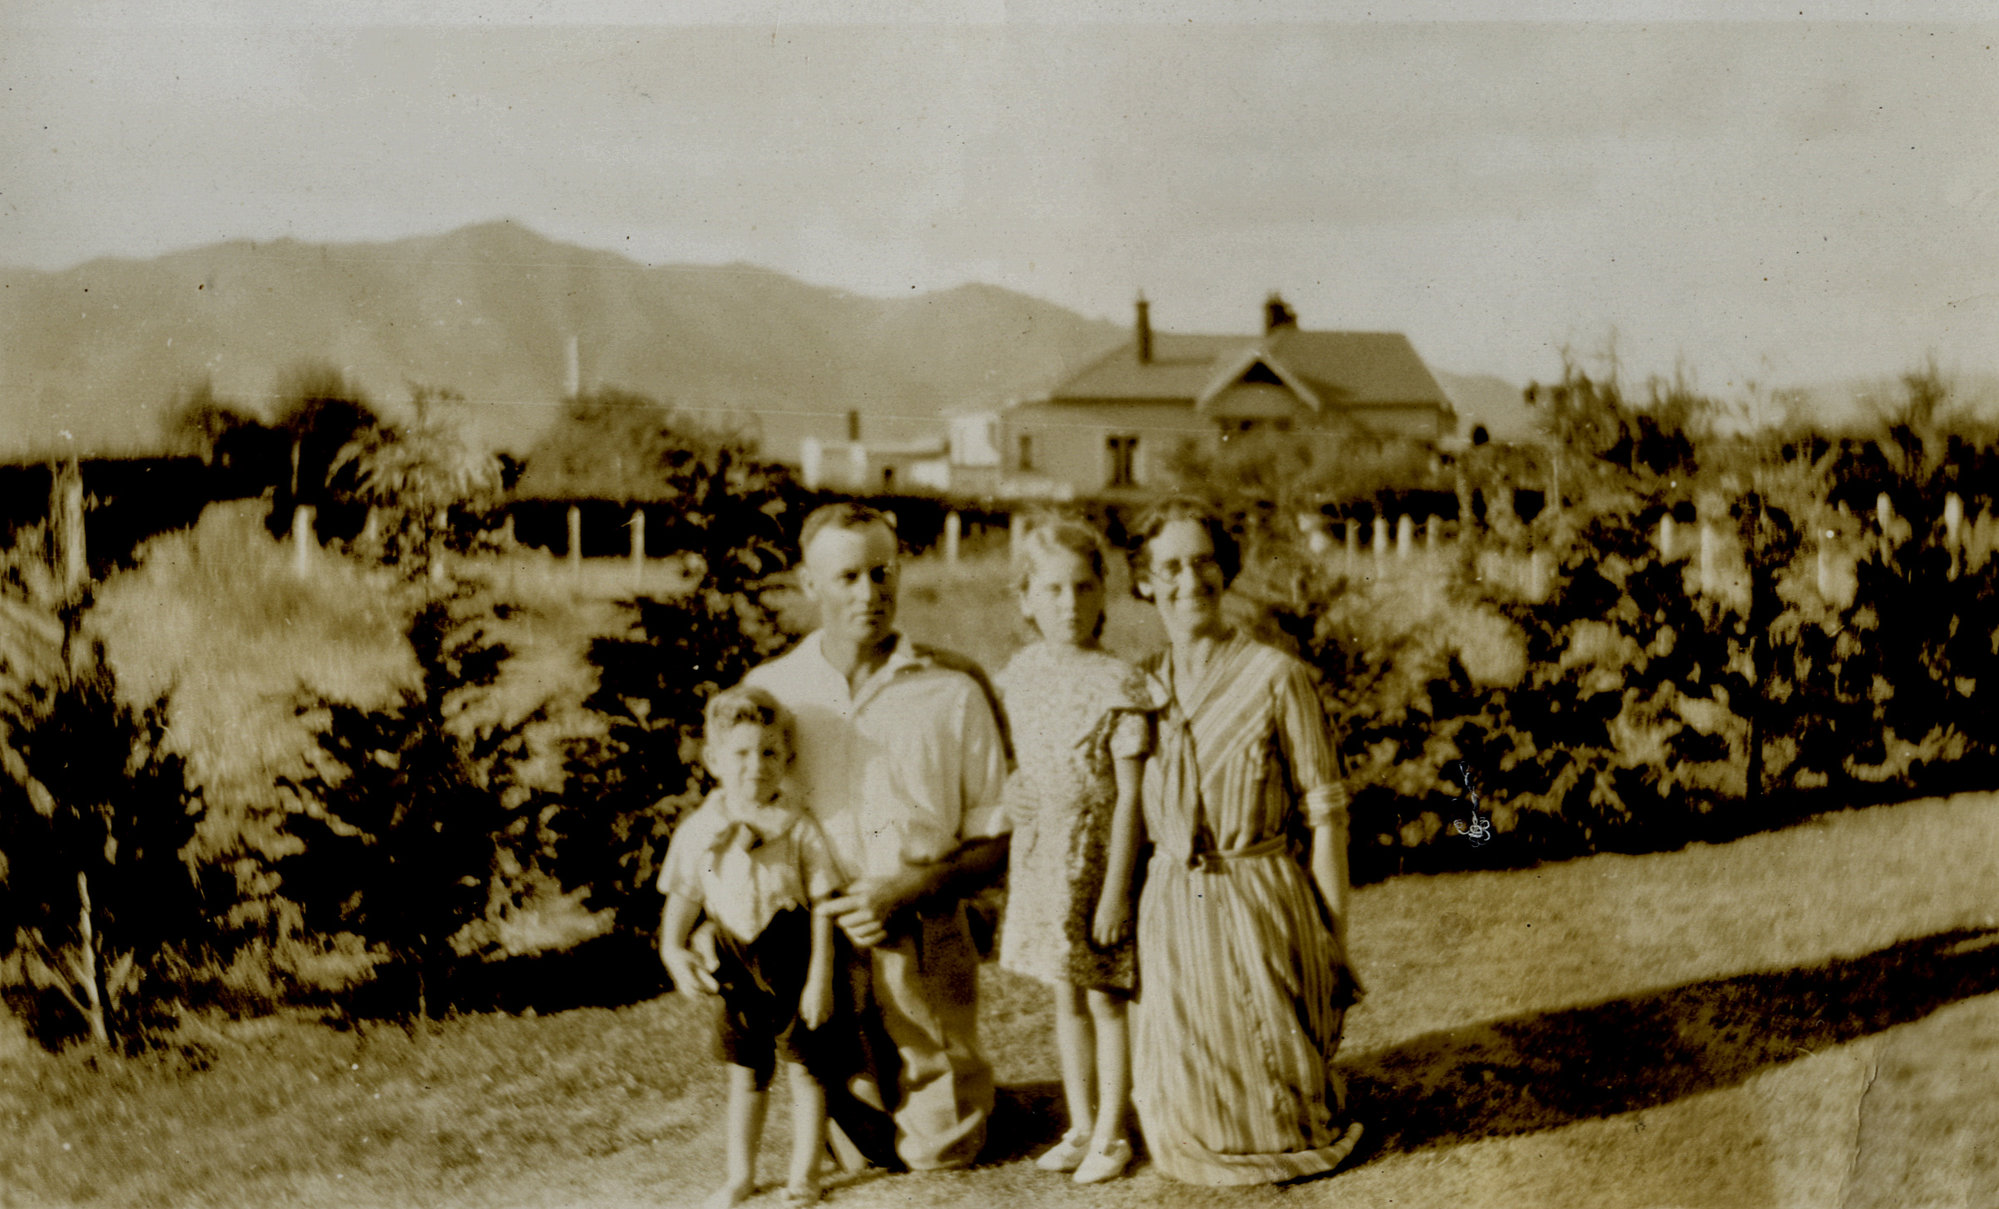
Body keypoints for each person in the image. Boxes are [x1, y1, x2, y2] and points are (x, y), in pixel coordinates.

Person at [741, 502, 1011, 1172]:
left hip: (920, 929)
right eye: (848, 577)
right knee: (861, 1159)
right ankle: (854, 1101)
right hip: (817, 943)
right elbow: (739, 818)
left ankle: (961, 1099)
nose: (870, 593)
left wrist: (914, 886)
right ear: (811, 584)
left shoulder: (951, 686)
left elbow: (1001, 837)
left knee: (941, 1153)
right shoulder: (774, 689)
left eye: (882, 572)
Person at [1124, 497, 1365, 1186]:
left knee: (1283, 1102)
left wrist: (1332, 941)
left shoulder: (1274, 675)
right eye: (1167, 565)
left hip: (1260, 897)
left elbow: (1327, 816)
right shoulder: (1141, 684)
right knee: (1185, 1113)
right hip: (1171, 903)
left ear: (1224, 571)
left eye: (1202, 561)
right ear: (1144, 580)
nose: (1187, 580)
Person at [992, 517, 1151, 1185]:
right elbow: (1013, 759)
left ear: (1101, 592)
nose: (1068, 603)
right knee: (1063, 995)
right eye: (1051, 589)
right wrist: (1010, 786)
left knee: (1106, 994)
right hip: (1040, 860)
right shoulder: (1020, 673)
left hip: (1096, 860)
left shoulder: (1120, 682)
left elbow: (1132, 798)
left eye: (1082, 587)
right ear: (1025, 597)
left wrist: (1116, 887)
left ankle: (1113, 1130)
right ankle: (1080, 1121)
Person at [658, 686, 845, 1208]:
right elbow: (682, 900)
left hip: (791, 955)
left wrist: (820, 979)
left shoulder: (798, 827)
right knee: (746, 1073)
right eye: (740, 753)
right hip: (733, 961)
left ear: (785, 757)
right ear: (714, 759)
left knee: (807, 1069)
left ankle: (804, 1173)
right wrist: (675, 952)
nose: (755, 766)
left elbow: (825, 904)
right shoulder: (700, 833)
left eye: (768, 752)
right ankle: (740, 1174)